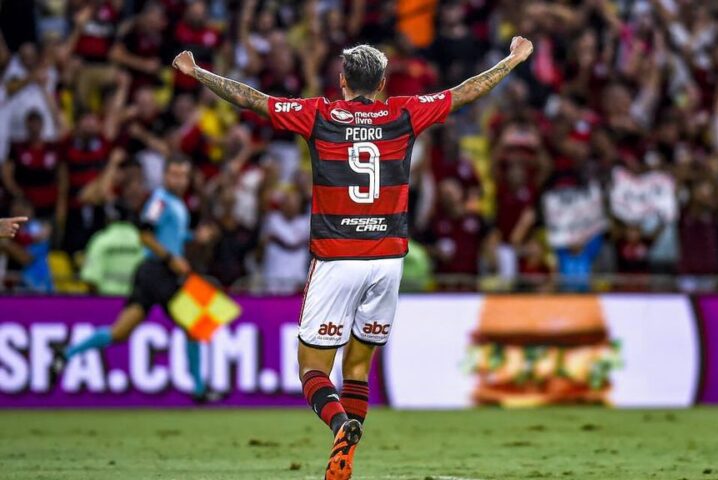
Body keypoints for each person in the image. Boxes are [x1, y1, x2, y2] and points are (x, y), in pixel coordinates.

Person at [172, 35, 534, 479]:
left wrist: (198, 73)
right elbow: (465, 92)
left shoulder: (319, 114)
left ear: (342, 80)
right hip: (388, 260)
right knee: (359, 365)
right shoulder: (404, 112)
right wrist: (512, 60)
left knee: (312, 369)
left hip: (336, 258)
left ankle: (341, 426)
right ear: (382, 83)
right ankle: (346, 458)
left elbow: (253, 100)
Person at [50, 156, 221, 403]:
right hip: (158, 271)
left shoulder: (177, 205)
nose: (178, 180)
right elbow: (144, 234)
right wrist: (171, 259)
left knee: (119, 332)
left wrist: (197, 237)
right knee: (194, 324)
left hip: (153, 273)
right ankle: (199, 390)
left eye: (183, 175)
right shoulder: (160, 201)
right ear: (165, 176)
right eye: (174, 174)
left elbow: (172, 237)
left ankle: (66, 354)